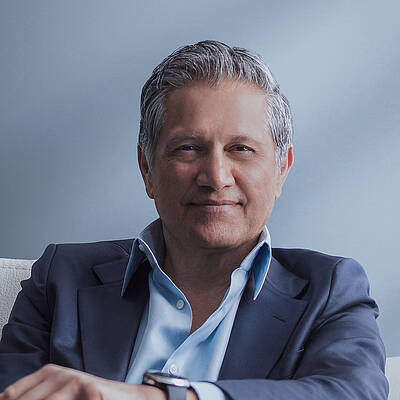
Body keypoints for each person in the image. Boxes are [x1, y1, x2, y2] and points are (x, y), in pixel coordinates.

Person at [0, 40, 388, 400]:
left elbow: (353, 392)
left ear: (281, 170)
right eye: (188, 148)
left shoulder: (330, 289)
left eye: (241, 149)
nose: (216, 177)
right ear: (147, 168)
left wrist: (161, 397)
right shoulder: (61, 277)